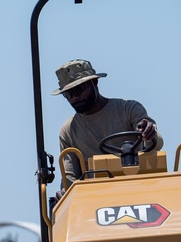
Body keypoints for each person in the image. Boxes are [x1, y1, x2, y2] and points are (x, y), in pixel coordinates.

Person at [52, 59, 163, 187]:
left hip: (139, 185)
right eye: (68, 94)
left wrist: (149, 135)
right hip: (95, 197)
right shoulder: (68, 131)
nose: (74, 98)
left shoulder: (128, 109)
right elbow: (70, 177)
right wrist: (64, 193)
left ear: (94, 82)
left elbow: (155, 145)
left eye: (78, 91)